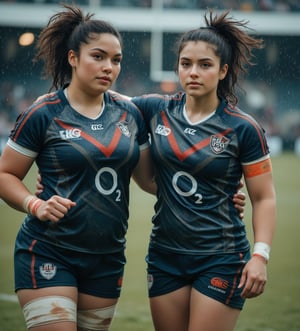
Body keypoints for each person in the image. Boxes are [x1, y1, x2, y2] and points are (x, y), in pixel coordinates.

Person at [0, 4, 157, 331]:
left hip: (107, 257)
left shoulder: (130, 114)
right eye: (98, 56)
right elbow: (5, 174)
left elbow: (150, 181)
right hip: (48, 251)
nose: (109, 67)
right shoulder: (43, 113)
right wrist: (36, 205)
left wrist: (215, 192)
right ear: (73, 57)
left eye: (116, 60)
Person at [127, 10, 276, 331]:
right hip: (164, 254)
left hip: (221, 257)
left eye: (205, 65)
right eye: (185, 64)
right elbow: (103, 104)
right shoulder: (155, 109)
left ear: (223, 71)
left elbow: (264, 198)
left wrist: (261, 257)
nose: (193, 72)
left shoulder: (243, 128)